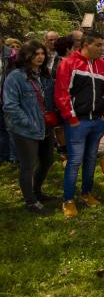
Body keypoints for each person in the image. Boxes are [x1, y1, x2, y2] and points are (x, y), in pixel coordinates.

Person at [55, 31, 104, 217]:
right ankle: (68, 200)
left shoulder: (102, 65)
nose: (102, 49)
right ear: (86, 45)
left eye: (103, 45)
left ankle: (86, 193)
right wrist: (72, 118)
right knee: (75, 161)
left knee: (91, 159)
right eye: (99, 45)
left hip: (97, 121)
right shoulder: (69, 64)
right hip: (77, 122)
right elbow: (62, 93)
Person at [3, 40, 57, 214]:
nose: (40, 57)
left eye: (42, 53)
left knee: (48, 160)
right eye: (35, 54)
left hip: (45, 126)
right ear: (26, 55)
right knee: (28, 164)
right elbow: (10, 105)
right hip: (25, 129)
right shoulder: (16, 76)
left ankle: (37, 191)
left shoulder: (45, 75)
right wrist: (29, 123)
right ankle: (30, 201)